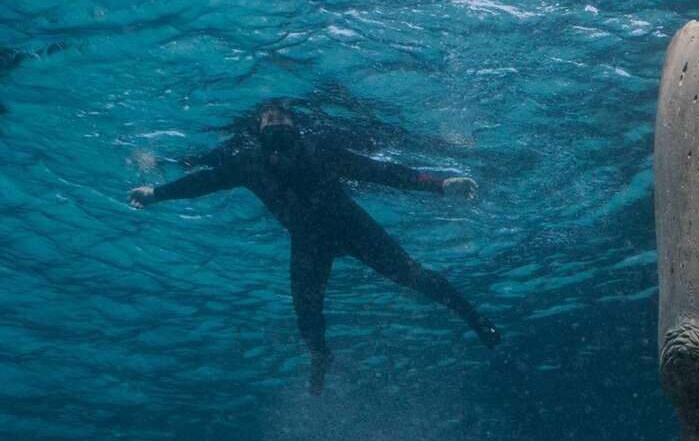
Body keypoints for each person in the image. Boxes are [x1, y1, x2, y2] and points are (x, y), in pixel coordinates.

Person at [129, 97, 501, 392]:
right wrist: (156, 193)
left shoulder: (319, 150)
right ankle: (321, 356)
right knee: (306, 315)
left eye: (283, 117)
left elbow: (381, 173)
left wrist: (439, 184)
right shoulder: (247, 164)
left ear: (296, 124)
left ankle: (475, 318)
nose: (276, 121)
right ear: (257, 127)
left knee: (415, 277)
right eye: (268, 118)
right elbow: (202, 182)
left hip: (354, 228)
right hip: (308, 244)